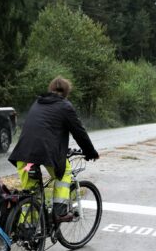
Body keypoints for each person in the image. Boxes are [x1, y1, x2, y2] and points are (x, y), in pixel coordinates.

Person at [8, 76, 99, 222]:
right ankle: (59, 212)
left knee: (30, 194)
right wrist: (90, 152)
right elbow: (79, 132)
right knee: (65, 173)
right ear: (67, 92)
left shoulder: (37, 102)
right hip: (46, 154)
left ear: (50, 89)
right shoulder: (65, 106)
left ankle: (25, 230)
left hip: (23, 155)